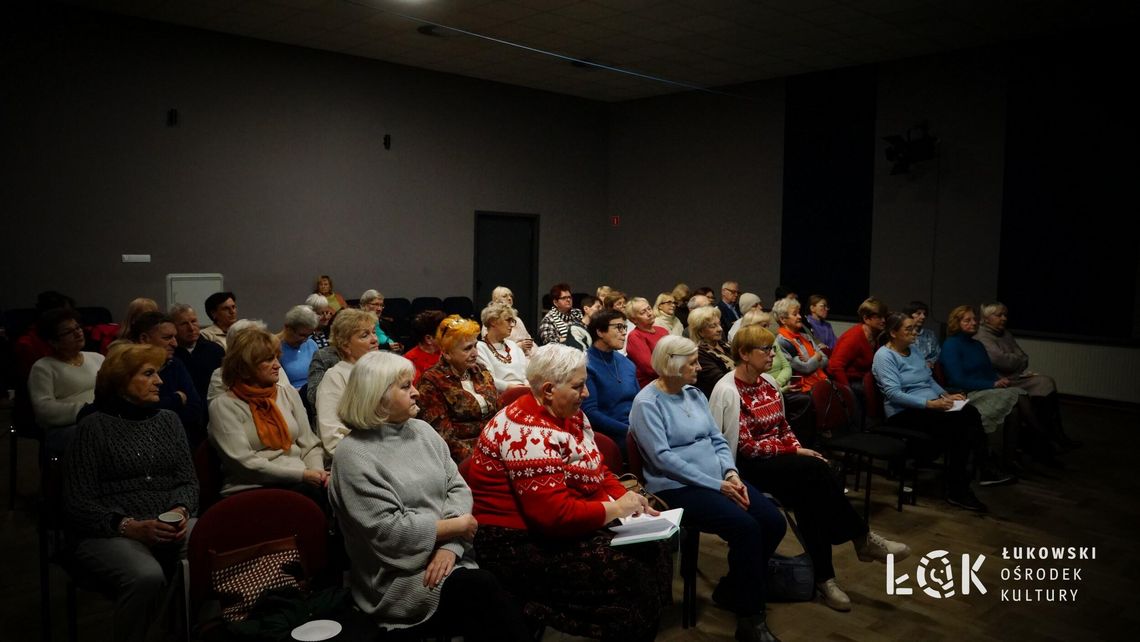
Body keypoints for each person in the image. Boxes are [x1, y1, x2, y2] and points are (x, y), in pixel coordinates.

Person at [468, 344, 671, 642]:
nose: (586, 393)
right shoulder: (528, 431)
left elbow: (597, 468)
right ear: (549, 390)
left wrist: (627, 500)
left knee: (655, 546)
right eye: (578, 386)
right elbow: (553, 516)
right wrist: (617, 509)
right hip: (515, 540)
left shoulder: (570, 413)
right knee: (630, 572)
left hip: (559, 521)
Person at [328, 352, 530, 641]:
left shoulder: (421, 430)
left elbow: (457, 488)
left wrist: (451, 547)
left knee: (513, 567)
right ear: (377, 397)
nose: (416, 392)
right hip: (397, 576)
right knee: (480, 590)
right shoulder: (353, 455)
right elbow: (389, 533)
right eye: (405, 386)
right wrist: (455, 527)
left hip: (450, 553)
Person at [709, 325, 910, 612]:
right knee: (815, 471)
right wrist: (794, 451)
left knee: (812, 495)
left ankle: (825, 578)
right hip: (747, 466)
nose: (772, 354)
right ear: (744, 353)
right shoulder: (727, 390)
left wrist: (797, 447)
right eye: (765, 350)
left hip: (780, 461)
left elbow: (783, 426)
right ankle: (861, 538)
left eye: (772, 348)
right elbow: (746, 446)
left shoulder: (768, 382)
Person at [629, 336, 786, 642]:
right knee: (746, 528)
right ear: (672, 366)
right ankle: (750, 619)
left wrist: (731, 472)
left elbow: (717, 438)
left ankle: (732, 588)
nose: (699, 368)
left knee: (772, 522)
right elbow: (662, 459)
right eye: (692, 363)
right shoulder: (647, 403)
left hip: (718, 479)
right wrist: (717, 484)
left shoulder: (694, 394)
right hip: (676, 487)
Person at [65, 344, 198, 642]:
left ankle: (185, 630)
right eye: (148, 374)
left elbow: (188, 482)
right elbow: (78, 502)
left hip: (167, 522)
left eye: (158, 373)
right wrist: (129, 526)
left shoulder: (169, 420)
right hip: (110, 530)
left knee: (213, 544)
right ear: (121, 381)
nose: (160, 381)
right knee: (146, 576)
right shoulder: (92, 428)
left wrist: (180, 509)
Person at [871, 312, 1009, 512]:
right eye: (908, 329)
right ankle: (960, 486)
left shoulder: (913, 350)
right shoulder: (884, 356)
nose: (914, 333)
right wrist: (930, 404)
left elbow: (928, 380)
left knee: (969, 411)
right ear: (893, 333)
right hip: (904, 412)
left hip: (930, 404)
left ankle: (979, 467)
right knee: (959, 425)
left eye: (914, 328)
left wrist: (946, 396)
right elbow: (894, 394)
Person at [207, 327, 326, 500]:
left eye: (277, 358)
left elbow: (309, 444)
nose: (278, 365)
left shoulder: (287, 393)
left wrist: (318, 472)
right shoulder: (223, 405)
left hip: (302, 481)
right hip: (251, 488)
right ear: (245, 367)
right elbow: (245, 463)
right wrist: (302, 475)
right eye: (268, 360)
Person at [940, 305, 1058, 469]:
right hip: (966, 393)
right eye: (967, 320)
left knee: (1014, 408)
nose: (973, 323)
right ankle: (1043, 439)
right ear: (956, 323)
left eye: (974, 319)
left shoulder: (977, 345)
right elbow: (957, 380)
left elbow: (988, 372)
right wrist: (992, 384)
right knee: (1019, 394)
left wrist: (999, 381)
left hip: (986, 390)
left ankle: (1011, 459)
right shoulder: (951, 345)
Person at [974, 302, 1079, 449]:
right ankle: (1043, 438)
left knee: (1046, 382)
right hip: (1000, 380)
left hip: (1015, 376)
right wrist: (1016, 360)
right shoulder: (982, 336)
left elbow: (1024, 357)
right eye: (999, 315)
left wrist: (1014, 360)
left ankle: (1054, 434)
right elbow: (1002, 361)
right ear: (986, 318)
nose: (1004, 318)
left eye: (1005, 315)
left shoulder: (1005, 333)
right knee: (1036, 390)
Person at [417, 315, 501, 463]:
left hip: (494, 448)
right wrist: (479, 460)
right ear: (447, 353)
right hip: (461, 459)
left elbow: (498, 415)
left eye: (475, 346)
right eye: (467, 348)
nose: (475, 353)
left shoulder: (481, 371)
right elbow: (443, 436)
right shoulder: (432, 381)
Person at [28, 308, 105, 453]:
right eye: (68, 332)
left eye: (78, 327)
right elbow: (44, 410)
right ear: (53, 341)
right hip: (66, 427)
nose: (78, 333)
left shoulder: (97, 358)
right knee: (100, 434)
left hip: (102, 418)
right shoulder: (43, 367)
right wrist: (85, 410)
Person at [129, 311, 204, 447]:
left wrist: (159, 407)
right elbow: (135, 412)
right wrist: (176, 399)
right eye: (167, 338)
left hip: (179, 442)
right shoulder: (127, 369)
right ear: (144, 339)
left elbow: (195, 409)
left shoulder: (175, 364)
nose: (175, 344)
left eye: (175, 337)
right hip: (137, 443)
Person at [316, 309, 380, 459]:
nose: (374, 339)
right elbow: (332, 437)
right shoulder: (335, 377)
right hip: (359, 459)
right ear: (345, 345)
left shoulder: (382, 371)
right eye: (365, 335)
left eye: (374, 332)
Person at [582, 309, 638, 453]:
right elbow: (590, 413)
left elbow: (639, 402)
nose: (624, 332)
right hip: (610, 436)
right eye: (619, 327)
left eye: (624, 327)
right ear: (600, 331)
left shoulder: (627, 364)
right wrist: (630, 431)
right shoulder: (585, 365)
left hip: (636, 429)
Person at [827, 297, 888, 414]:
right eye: (879, 317)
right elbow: (835, 366)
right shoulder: (854, 337)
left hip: (864, 379)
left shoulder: (876, 335)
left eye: (884, 316)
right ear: (866, 318)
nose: (884, 320)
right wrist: (847, 392)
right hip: (849, 381)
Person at [169, 303, 225, 402]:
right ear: (173, 327)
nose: (191, 328)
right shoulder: (170, 354)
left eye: (193, 321)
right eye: (184, 324)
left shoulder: (215, 350)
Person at [772, 297, 829, 394]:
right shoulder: (782, 342)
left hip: (820, 382)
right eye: (795, 314)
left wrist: (811, 360)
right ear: (783, 319)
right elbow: (805, 368)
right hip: (802, 389)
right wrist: (816, 357)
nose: (799, 317)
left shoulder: (806, 337)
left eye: (799, 313)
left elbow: (826, 360)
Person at [476, 302, 529, 392]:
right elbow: (489, 380)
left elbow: (525, 376)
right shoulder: (479, 347)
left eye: (512, 321)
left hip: (523, 391)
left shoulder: (513, 346)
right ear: (493, 322)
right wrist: (516, 389)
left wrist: (527, 387)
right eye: (508, 320)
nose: (511, 325)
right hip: (500, 395)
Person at [688, 305, 735, 398]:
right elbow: (721, 381)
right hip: (723, 397)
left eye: (719, 324)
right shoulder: (699, 354)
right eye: (713, 326)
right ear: (700, 331)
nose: (720, 329)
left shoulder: (724, 345)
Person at [624, 297, 670, 389]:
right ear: (634, 320)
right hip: (651, 385)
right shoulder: (635, 336)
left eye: (649, 309)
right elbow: (650, 368)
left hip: (669, 378)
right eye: (643, 312)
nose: (649, 313)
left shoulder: (662, 330)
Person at [277, 305, 319, 390]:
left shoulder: (311, 344)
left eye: (309, 335)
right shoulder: (273, 348)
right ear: (287, 328)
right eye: (302, 335)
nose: (306, 340)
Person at [403, 310, 446, 383]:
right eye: (444, 333)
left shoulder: (447, 352)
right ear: (428, 339)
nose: (449, 336)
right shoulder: (409, 362)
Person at [537, 283, 586, 347]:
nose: (568, 300)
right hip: (561, 352)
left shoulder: (577, 313)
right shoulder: (548, 319)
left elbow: (585, 334)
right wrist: (571, 339)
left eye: (569, 297)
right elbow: (549, 342)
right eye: (564, 298)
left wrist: (563, 339)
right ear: (555, 302)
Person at [491, 286, 535, 355]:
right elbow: (493, 347)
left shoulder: (518, 319)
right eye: (505, 296)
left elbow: (528, 338)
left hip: (528, 354)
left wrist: (530, 344)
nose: (509, 298)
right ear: (495, 300)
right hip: (508, 356)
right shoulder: (491, 320)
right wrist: (519, 346)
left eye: (511, 296)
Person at [903, 301, 940, 366]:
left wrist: (929, 363)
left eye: (924, 314)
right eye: (918, 313)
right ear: (909, 314)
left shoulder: (930, 334)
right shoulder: (902, 334)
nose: (923, 317)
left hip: (927, 369)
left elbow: (936, 354)